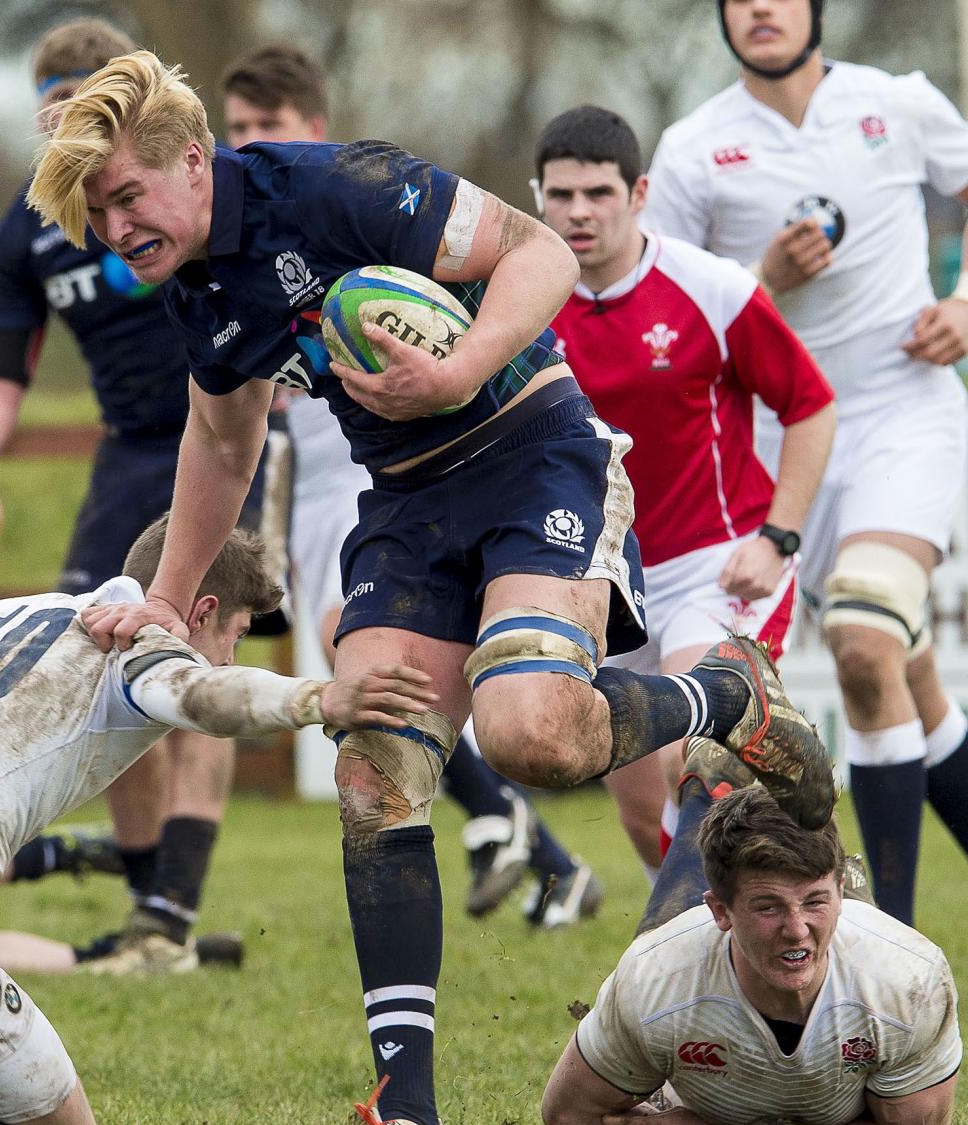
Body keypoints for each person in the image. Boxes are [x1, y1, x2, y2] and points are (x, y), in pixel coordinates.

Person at [26, 51, 834, 1125]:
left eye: (127, 195)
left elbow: (541, 252)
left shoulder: (336, 186)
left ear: (194, 161)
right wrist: (166, 601)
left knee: (531, 736)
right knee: (373, 768)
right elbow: (220, 438)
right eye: (96, 211)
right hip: (407, 505)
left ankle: (727, 695)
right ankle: (408, 1120)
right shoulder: (200, 284)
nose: (115, 225)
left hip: (537, 457)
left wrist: (464, 368)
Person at [0, 19, 288, 972]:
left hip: (226, 438)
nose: (66, 120)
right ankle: (150, 912)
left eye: (82, 96)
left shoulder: (187, 188)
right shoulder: (31, 229)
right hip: (132, 447)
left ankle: (174, 906)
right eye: (50, 104)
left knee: (201, 636)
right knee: (98, 654)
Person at [0, 515, 434, 1125]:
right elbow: (208, 695)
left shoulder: (2, 615)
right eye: (234, 635)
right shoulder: (140, 645)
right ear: (202, 612)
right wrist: (319, 697)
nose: (232, 653)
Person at [221, 43, 604, 926]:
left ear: (309, 129)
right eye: (235, 127)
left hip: (406, 465)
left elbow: (508, 267)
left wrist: (446, 360)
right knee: (361, 675)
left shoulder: (342, 209)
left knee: (384, 665)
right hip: (318, 480)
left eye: (265, 128)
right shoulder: (231, 256)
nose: (249, 142)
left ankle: (516, 826)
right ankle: (530, 841)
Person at [642, 0, 968, 926]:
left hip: (905, 410)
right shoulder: (695, 147)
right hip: (784, 445)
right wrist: (763, 278)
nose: (759, 9)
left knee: (864, 640)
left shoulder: (895, 103)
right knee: (906, 677)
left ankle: (889, 942)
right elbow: (659, 302)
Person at [534, 104, 835, 893]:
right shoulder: (522, 306)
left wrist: (778, 538)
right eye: (561, 195)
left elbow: (811, 404)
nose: (579, 212)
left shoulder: (715, 289)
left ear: (638, 193)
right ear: (537, 197)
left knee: (698, 762)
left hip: (717, 564)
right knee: (642, 809)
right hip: (604, 581)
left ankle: (713, 944)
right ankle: (749, 918)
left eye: (598, 193)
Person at [542, 784, 960, 1125]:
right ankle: (703, 788)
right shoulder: (655, 980)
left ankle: (710, 787)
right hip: (692, 959)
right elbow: (569, 1115)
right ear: (720, 911)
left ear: (841, 892)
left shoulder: (909, 982)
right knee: (666, 945)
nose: (796, 931)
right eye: (768, 907)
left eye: (815, 901)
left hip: (862, 960)